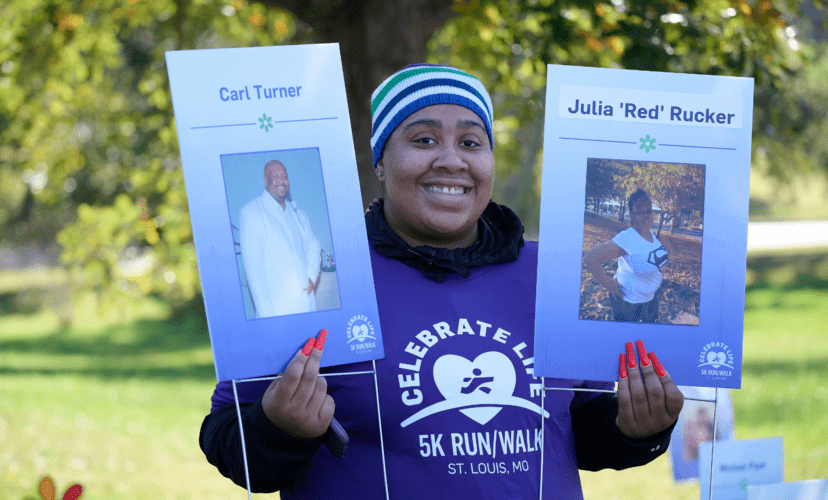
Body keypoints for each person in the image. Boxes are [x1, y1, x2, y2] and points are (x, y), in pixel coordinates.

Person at [201, 65, 684, 499]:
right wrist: (279, 430)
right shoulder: (327, 282)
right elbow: (229, 440)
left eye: (471, 143)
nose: (452, 161)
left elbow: (577, 431)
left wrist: (636, 429)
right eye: (424, 140)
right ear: (380, 163)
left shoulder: (552, 275)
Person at [239, 160, 322, 318]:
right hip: (277, 314)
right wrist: (269, 321)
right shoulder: (252, 212)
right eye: (275, 175)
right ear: (265, 180)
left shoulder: (297, 213)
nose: (281, 180)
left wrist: (311, 276)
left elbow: (313, 245)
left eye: (284, 176)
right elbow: (254, 273)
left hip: (307, 309)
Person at [583, 189, 676, 323]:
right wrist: (608, 283)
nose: (645, 215)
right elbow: (591, 258)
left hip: (650, 300)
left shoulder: (651, 234)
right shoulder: (627, 239)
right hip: (628, 303)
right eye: (639, 212)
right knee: (626, 340)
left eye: (648, 211)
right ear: (631, 215)